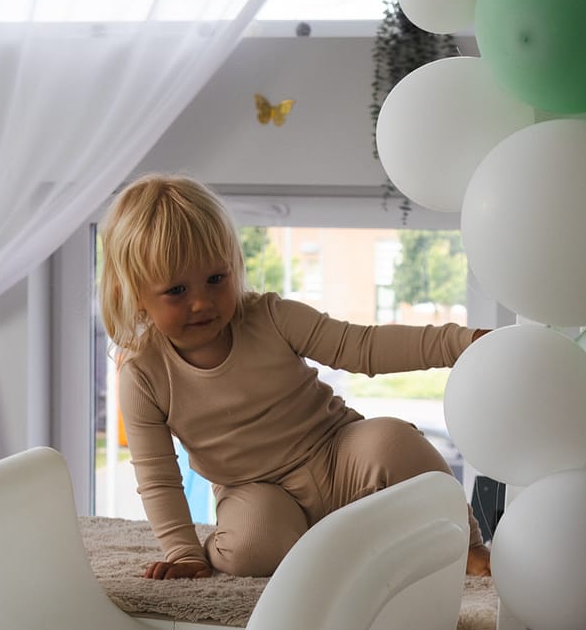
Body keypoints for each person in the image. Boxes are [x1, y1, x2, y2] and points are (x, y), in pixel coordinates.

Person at [98, 174, 490, 582]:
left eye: (216, 279)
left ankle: (465, 545)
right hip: (254, 489)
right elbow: (158, 478)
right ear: (134, 295)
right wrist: (183, 552)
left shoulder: (271, 317)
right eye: (177, 290)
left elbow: (363, 346)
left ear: (234, 266)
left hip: (337, 454)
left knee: (395, 442)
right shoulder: (143, 375)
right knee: (251, 546)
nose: (201, 302)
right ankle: (313, 548)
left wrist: (459, 342)